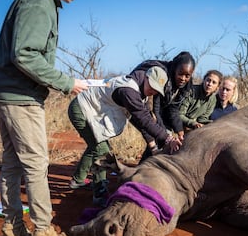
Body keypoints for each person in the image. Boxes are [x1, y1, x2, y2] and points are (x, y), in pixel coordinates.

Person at [0, 0, 91, 236]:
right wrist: (66, 83)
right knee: (36, 164)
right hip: (20, 97)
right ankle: (44, 235)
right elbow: (24, 54)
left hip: (6, 92)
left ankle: (13, 232)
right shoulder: (39, 2)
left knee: (12, 163)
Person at [68, 67, 182, 207]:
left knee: (96, 145)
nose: (153, 92)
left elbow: (141, 121)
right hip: (82, 110)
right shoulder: (129, 91)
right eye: (152, 86)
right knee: (102, 150)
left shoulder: (140, 92)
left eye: (156, 90)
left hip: (93, 112)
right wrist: (168, 138)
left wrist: (153, 147)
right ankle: (100, 194)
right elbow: (144, 120)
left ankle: (77, 180)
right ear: (146, 78)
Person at [138, 51, 196, 160]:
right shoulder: (162, 77)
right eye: (180, 74)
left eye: (187, 75)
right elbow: (156, 109)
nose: (183, 78)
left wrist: (180, 131)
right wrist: (165, 136)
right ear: (174, 69)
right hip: (141, 103)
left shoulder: (186, 84)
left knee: (163, 137)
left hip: (161, 112)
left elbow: (173, 108)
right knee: (156, 136)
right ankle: (143, 168)